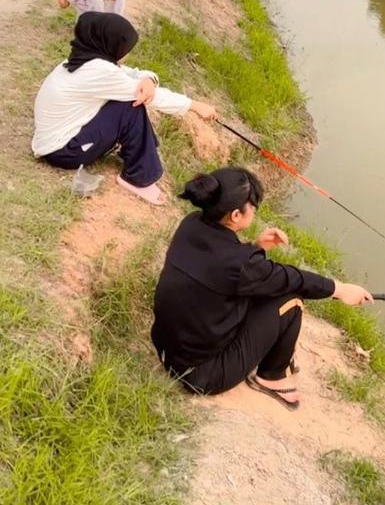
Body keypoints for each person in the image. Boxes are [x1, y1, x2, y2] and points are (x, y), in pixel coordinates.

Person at [152, 167, 373, 408]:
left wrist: (256, 247)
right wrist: (339, 289)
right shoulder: (241, 265)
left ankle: (269, 369)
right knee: (291, 300)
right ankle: (271, 377)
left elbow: (220, 268)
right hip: (203, 374)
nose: (255, 211)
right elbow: (291, 278)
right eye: (253, 207)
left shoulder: (191, 224)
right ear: (236, 215)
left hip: (167, 350)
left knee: (266, 290)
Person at [32, 12, 216, 205]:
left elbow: (132, 74)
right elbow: (150, 96)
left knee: (130, 98)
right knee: (131, 105)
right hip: (63, 152)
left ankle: (137, 151)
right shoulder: (98, 72)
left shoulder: (86, 59)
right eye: (125, 47)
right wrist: (195, 106)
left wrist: (149, 79)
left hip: (55, 141)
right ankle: (139, 178)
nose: (128, 52)